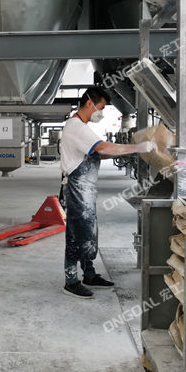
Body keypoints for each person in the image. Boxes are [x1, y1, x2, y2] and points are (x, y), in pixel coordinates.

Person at [59, 86, 156, 299]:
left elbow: (97, 153)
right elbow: (102, 147)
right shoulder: (76, 127)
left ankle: (89, 274)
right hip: (77, 188)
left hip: (85, 189)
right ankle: (71, 281)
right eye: (101, 108)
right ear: (89, 103)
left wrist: (122, 150)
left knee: (88, 231)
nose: (101, 113)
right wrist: (138, 148)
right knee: (77, 233)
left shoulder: (81, 126)